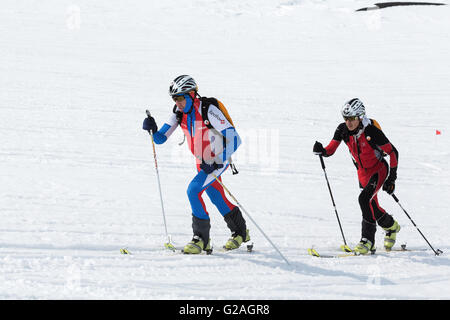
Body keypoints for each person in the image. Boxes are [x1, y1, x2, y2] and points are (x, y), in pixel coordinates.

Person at [142, 75, 250, 254]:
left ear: (192, 94)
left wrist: (217, 161)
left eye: (180, 97)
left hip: (217, 161)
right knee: (216, 196)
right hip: (202, 162)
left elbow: (235, 139)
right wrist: (152, 130)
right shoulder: (178, 112)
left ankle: (201, 239)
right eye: (174, 98)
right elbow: (161, 138)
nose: (178, 102)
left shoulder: (209, 110)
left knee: (193, 190)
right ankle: (240, 232)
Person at [313, 98, 400, 254]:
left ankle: (368, 241)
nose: (349, 122)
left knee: (363, 199)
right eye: (346, 119)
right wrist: (322, 150)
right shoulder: (342, 130)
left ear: (360, 117)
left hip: (379, 169)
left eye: (352, 118)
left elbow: (393, 152)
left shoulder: (371, 131)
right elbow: (331, 150)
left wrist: (391, 179)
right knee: (372, 206)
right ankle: (391, 226)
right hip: (362, 172)